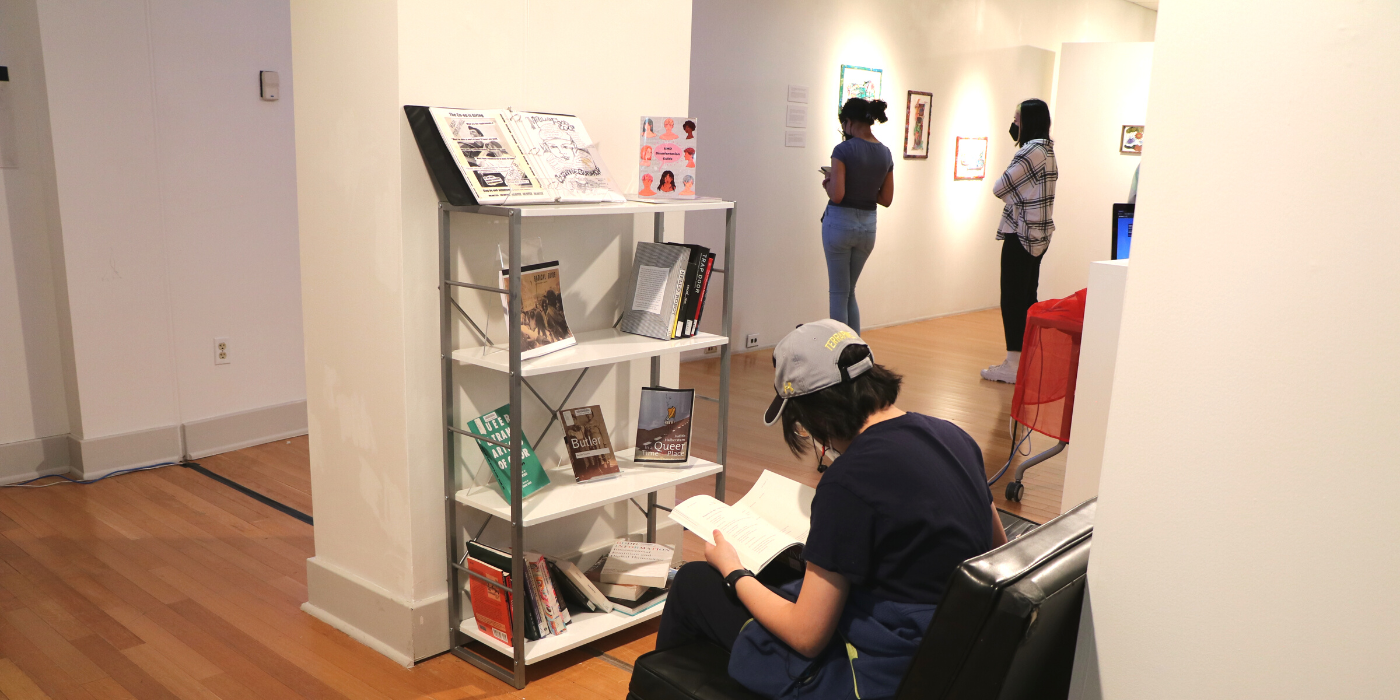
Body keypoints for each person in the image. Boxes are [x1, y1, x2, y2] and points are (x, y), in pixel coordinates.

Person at [657, 320, 1008, 700]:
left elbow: (807, 636)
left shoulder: (849, 480)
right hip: (952, 649)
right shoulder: (952, 435)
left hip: (885, 671)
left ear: (815, 414)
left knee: (694, 581)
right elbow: (997, 551)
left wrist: (733, 571)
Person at [981, 98, 1058, 384]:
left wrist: (1016, 198)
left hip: (1022, 233)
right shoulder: (1048, 150)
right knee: (1026, 297)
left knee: (1013, 298)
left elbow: (1000, 187)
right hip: (1039, 233)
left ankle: (1013, 363)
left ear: (1029, 121)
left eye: (1017, 119)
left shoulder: (1031, 151)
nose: (1013, 124)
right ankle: (1025, 359)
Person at [820, 98, 894, 334]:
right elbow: (886, 199)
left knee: (838, 293)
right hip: (867, 228)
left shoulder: (843, 150)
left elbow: (838, 195)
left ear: (849, 122)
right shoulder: (885, 153)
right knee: (850, 291)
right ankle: (857, 353)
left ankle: (839, 354)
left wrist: (829, 182)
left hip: (839, 224)